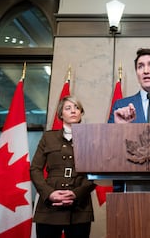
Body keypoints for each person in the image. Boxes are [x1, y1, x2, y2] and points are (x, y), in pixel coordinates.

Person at [30, 96, 96, 238]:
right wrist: (49, 193)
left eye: (77, 108)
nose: (73, 111)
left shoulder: (91, 138)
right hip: (49, 207)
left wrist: (76, 193)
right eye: (68, 108)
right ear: (61, 114)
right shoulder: (48, 138)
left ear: (81, 113)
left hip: (79, 207)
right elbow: (35, 169)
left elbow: (95, 172)